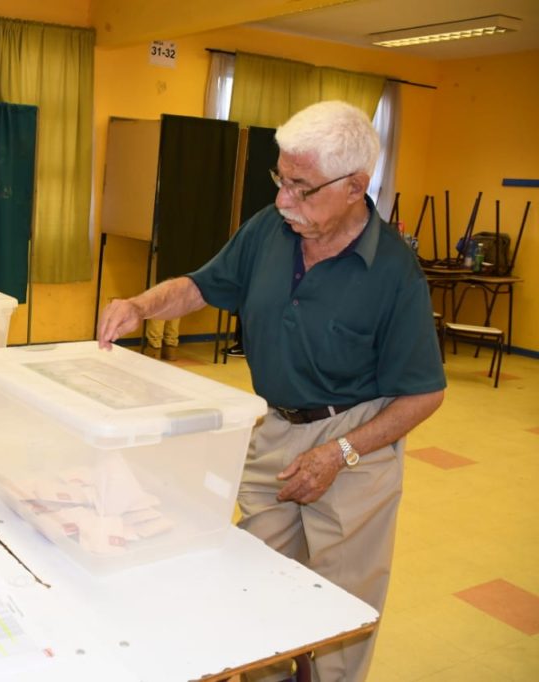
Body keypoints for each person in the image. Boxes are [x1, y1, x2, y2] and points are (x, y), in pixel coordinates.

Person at [98, 100, 446, 682]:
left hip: (355, 440)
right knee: (250, 579)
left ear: (355, 186)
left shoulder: (392, 271)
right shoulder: (270, 229)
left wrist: (339, 453)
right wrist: (141, 304)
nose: (284, 200)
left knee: (343, 602)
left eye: (302, 188)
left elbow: (424, 394)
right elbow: (203, 286)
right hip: (276, 426)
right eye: (280, 180)